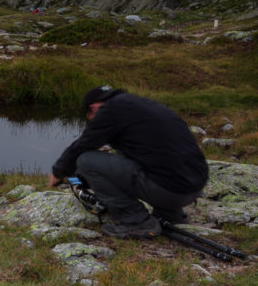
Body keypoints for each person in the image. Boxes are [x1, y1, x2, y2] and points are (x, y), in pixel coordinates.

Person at [48, 86, 209, 239]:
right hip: (193, 187)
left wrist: (58, 171)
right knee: (151, 158)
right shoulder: (140, 106)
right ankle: (170, 214)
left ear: (94, 108)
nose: (92, 123)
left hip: (170, 192)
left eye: (90, 118)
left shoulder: (111, 109)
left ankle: (136, 221)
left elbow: (83, 145)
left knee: (86, 161)